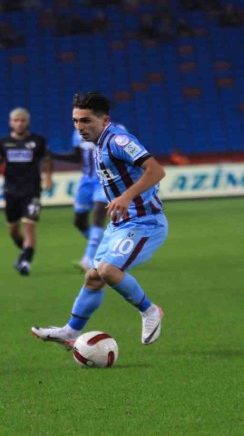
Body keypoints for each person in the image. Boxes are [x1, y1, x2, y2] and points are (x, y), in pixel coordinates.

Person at [32, 92, 167, 347]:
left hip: (145, 222)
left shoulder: (119, 140)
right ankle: (71, 332)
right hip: (120, 225)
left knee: (108, 270)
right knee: (93, 277)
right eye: (75, 121)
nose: (79, 127)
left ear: (104, 119)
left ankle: (150, 311)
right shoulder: (98, 143)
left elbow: (156, 170)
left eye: (85, 121)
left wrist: (126, 197)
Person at [51, 120, 128, 272]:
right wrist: (52, 155)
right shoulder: (78, 131)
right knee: (79, 221)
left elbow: (126, 154)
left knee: (98, 217)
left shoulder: (118, 129)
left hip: (106, 179)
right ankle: (103, 249)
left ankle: (88, 260)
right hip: (86, 181)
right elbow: (76, 157)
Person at [0, 107, 53, 276]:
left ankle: (25, 262)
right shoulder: (2, 143)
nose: (19, 124)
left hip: (32, 190)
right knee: (13, 230)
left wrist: (47, 177)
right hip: (11, 191)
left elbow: (46, 160)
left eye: (22, 120)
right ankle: (25, 252)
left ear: (28, 122)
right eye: (16, 121)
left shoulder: (38, 141)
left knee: (29, 225)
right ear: (11, 123)